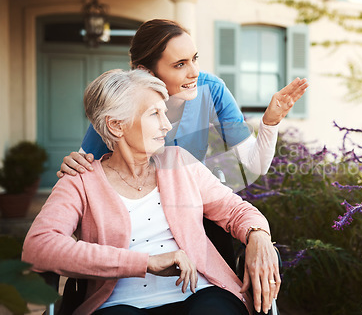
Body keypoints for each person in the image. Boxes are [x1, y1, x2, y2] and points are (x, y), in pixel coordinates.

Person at [22, 69, 280, 315]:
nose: (167, 125)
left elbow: (236, 210)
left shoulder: (180, 162)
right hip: (118, 304)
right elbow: (38, 247)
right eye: (154, 114)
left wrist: (258, 235)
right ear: (116, 125)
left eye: (165, 113)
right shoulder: (80, 180)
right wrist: (144, 262)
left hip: (201, 294)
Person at [58, 19, 308, 189]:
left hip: (186, 203)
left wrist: (270, 122)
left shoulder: (212, 89)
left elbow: (256, 165)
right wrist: (73, 165)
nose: (194, 72)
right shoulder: (121, 101)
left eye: (194, 59)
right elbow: (82, 167)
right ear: (146, 71)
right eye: (180, 64)